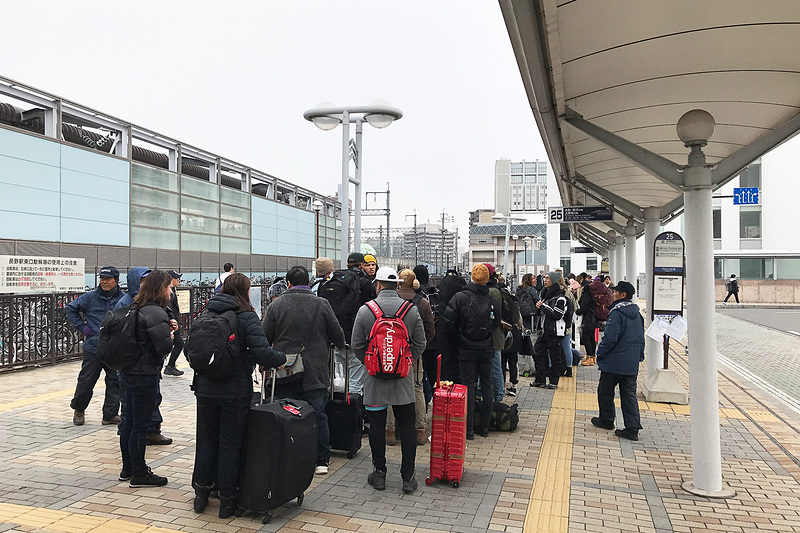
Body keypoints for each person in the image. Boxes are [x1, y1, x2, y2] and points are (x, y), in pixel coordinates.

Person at [192, 273, 286, 517]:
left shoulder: (206, 313)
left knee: (206, 441)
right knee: (230, 445)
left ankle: (201, 495)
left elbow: (188, 349)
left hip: (205, 389)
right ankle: (227, 502)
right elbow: (263, 353)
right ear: (245, 291)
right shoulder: (246, 316)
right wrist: (282, 359)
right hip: (234, 392)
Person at [263, 266, 345, 475]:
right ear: (308, 283)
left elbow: (265, 339)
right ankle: (321, 460)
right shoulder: (322, 304)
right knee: (318, 414)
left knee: (285, 414)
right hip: (315, 372)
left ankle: (288, 456)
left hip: (285, 371)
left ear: (288, 284)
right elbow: (338, 336)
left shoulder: (277, 305)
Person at [351, 267, 426, 494]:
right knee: (407, 425)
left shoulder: (366, 311)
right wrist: (405, 361)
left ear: (379, 285)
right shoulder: (410, 311)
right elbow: (421, 343)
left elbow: (356, 344)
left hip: (374, 380)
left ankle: (380, 473)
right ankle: (408, 477)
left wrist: (371, 362)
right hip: (403, 380)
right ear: (398, 285)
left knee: (376, 425)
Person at [118, 270, 176, 488]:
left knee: (129, 422)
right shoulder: (155, 312)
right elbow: (164, 347)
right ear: (161, 288)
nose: (172, 290)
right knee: (140, 425)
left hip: (129, 371)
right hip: (145, 374)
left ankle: (128, 468)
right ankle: (140, 473)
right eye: (169, 287)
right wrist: (170, 336)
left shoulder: (136, 306)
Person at [440, 264, 499, 440]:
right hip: (486, 347)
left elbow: (449, 321)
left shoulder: (460, 297)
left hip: (465, 348)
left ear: (472, 277)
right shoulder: (492, 299)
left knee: (468, 386)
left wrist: (459, 336)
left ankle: (469, 429)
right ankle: (485, 427)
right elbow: (495, 325)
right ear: (487, 278)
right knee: (487, 385)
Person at [67, 266, 124, 426]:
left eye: (108, 279)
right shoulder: (90, 297)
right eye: (102, 278)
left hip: (114, 349)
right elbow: (71, 308)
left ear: (116, 280)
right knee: (86, 380)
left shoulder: (123, 299)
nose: (104, 282)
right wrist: (83, 327)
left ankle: (110, 414)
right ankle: (79, 409)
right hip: (93, 347)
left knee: (115, 381)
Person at [384, 269, 434, 446]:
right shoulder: (422, 303)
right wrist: (418, 350)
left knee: (390, 389)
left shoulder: (390, 301)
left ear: (398, 282)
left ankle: (390, 431)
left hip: (390, 352)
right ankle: (420, 429)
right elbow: (430, 330)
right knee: (417, 387)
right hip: (413, 353)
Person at [591, 281, 645, 441]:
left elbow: (610, 338)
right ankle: (632, 428)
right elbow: (641, 338)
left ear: (623, 295)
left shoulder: (616, 313)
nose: (613, 294)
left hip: (614, 362)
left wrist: (600, 353)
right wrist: (639, 356)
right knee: (629, 395)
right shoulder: (637, 314)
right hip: (631, 363)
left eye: (615, 292)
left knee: (605, 391)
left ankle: (607, 420)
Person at [531, 271, 568, 390]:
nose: (544, 280)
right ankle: (540, 379)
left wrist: (543, 307)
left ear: (554, 280)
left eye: (547, 278)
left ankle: (554, 381)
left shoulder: (561, 298)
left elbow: (558, 314)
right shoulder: (544, 294)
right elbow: (542, 313)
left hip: (554, 332)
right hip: (544, 331)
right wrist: (538, 308)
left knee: (555, 357)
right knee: (537, 353)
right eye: (544, 278)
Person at [485, 264, 507, 404]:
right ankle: (497, 396)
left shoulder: (491, 292)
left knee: (495, 368)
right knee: (495, 367)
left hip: (493, 335)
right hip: (497, 335)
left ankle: (498, 398)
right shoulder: (497, 289)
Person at [163, 270, 185, 377]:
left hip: (173, 322)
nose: (178, 280)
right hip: (171, 323)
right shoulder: (168, 293)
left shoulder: (172, 290)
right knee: (179, 343)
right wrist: (172, 322)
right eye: (177, 278)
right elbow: (168, 309)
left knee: (176, 343)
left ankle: (170, 366)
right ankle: (170, 366)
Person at [576, 276, 600, 367]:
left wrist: (577, 311)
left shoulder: (586, 294)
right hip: (595, 318)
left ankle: (589, 357)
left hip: (588, 320)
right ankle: (593, 358)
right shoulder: (594, 295)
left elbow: (584, 308)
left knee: (586, 338)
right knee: (592, 339)